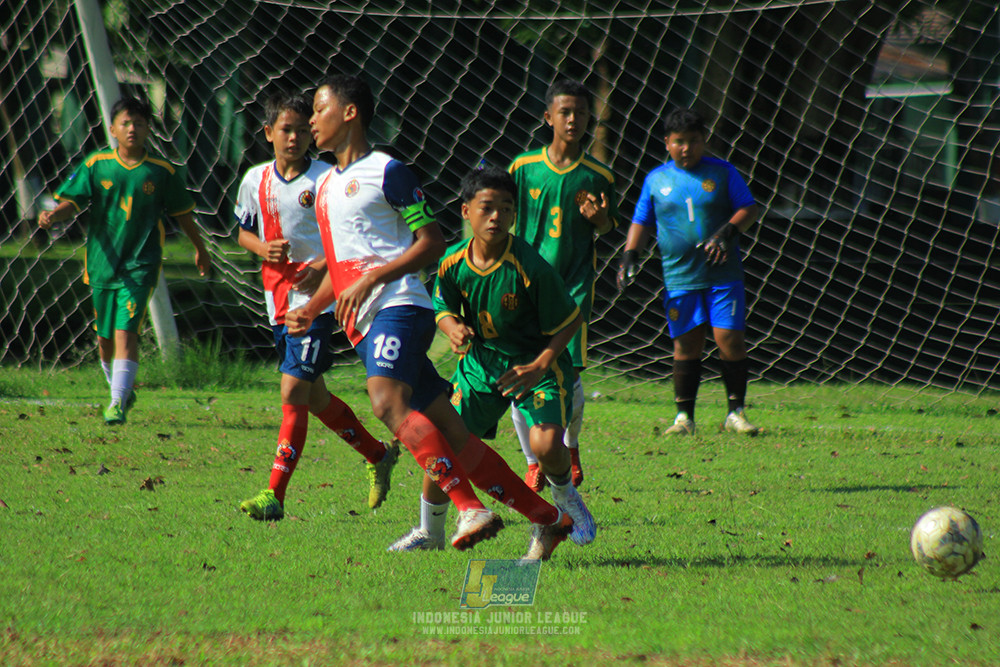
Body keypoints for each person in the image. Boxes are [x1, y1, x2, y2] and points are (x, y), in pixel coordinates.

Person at [285, 74, 573, 559]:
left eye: (319, 108)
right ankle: (549, 518)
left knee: (385, 402)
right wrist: (312, 308)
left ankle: (469, 507)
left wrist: (374, 280)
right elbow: (344, 265)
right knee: (455, 434)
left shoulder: (387, 171)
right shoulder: (328, 184)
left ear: (350, 113)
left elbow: (432, 242)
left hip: (399, 306)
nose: (311, 120)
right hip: (366, 319)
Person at [387, 165, 597, 554]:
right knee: (444, 440)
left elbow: (570, 321)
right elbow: (443, 305)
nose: (497, 216)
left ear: (515, 214)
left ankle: (566, 498)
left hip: (536, 367)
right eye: (487, 207)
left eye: (506, 208)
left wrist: (539, 365)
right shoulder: (453, 263)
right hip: (482, 366)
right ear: (466, 211)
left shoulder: (529, 266)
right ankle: (429, 531)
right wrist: (450, 328)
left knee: (547, 445)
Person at [234, 91, 399, 521]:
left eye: (302, 130)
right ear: (268, 133)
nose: (294, 138)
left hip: (319, 301)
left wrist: (322, 265)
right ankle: (377, 453)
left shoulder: (326, 179)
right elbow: (242, 232)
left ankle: (275, 495)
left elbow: (347, 237)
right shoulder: (255, 180)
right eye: (285, 130)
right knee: (315, 397)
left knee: (292, 390)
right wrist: (262, 248)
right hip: (278, 300)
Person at [38, 96, 211, 425]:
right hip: (102, 263)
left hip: (141, 264)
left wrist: (200, 248)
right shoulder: (96, 164)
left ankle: (116, 402)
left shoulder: (161, 172)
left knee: (124, 333)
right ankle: (121, 389)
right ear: (113, 129)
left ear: (148, 130)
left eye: (140, 123)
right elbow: (71, 203)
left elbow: (183, 214)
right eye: (126, 123)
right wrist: (52, 216)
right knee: (104, 339)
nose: (133, 129)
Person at [617, 107, 760, 436]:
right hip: (680, 277)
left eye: (694, 141)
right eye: (679, 141)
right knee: (685, 345)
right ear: (667, 142)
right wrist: (629, 255)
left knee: (730, 341)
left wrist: (726, 234)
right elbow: (642, 220)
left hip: (723, 277)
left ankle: (735, 413)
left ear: (704, 141)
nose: (686, 148)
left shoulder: (723, 173)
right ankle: (684, 418)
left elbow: (749, 208)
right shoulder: (656, 179)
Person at [508, 78, 619, 490]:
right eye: (565, 112)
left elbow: (609, 227)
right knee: (522, 373)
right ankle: (532, 459)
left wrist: (599, 221)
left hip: (572, 289)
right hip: (526, 288)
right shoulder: (523, 168)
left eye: (581, 113)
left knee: (568, 376)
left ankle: (570, 446)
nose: (573, 120)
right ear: (548, 117)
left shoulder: (598, 174)